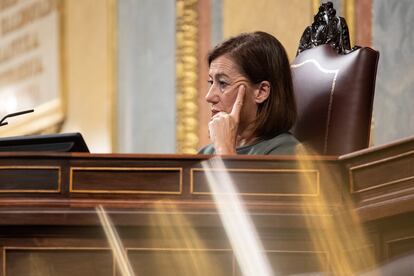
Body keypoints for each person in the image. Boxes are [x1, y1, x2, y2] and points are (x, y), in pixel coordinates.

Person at [198, 31, 300, 155]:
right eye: (211, 82)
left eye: (223, 83)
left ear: (261, 92)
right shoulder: (206, 153)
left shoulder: (288, 153)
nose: (209, 97)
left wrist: (224, 151)